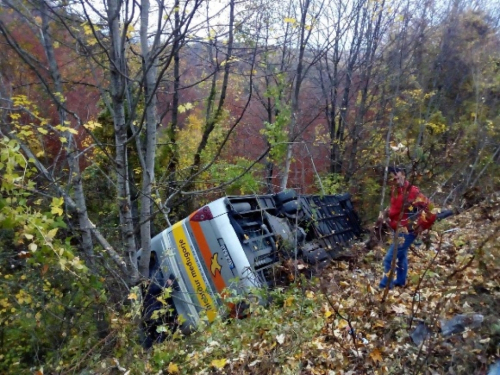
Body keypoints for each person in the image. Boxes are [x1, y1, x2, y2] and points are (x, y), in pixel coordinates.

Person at [378, 166, 436, 289]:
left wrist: (421, 225)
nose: (394, 177)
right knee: (401, 256)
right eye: (392, 176)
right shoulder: (395, 189)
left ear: (403, 174)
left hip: (407, 231)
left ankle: (385, 287)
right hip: (396, 229)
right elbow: (396, 209)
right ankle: (400, 281)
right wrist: (385, 214)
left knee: (390, 258)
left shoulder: (413, 192)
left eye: (396, 174)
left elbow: (431, 210)